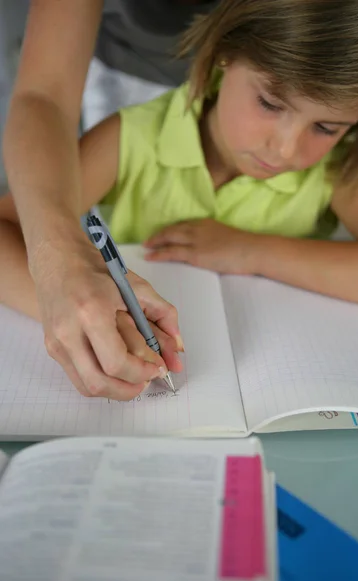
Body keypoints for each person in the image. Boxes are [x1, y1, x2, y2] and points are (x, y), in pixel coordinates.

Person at [2, 0, 358, 399]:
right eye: (270, 103)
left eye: (327, 127)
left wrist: (253, 252)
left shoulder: (336, 170)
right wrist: (94, 316)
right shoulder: (131, 140)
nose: (284, 149)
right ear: (225, 53)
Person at [1, 1, 218, 402]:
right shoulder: (126, 140)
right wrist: (57, 265)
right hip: (118, 84)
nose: (285, 146)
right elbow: (43, 94)